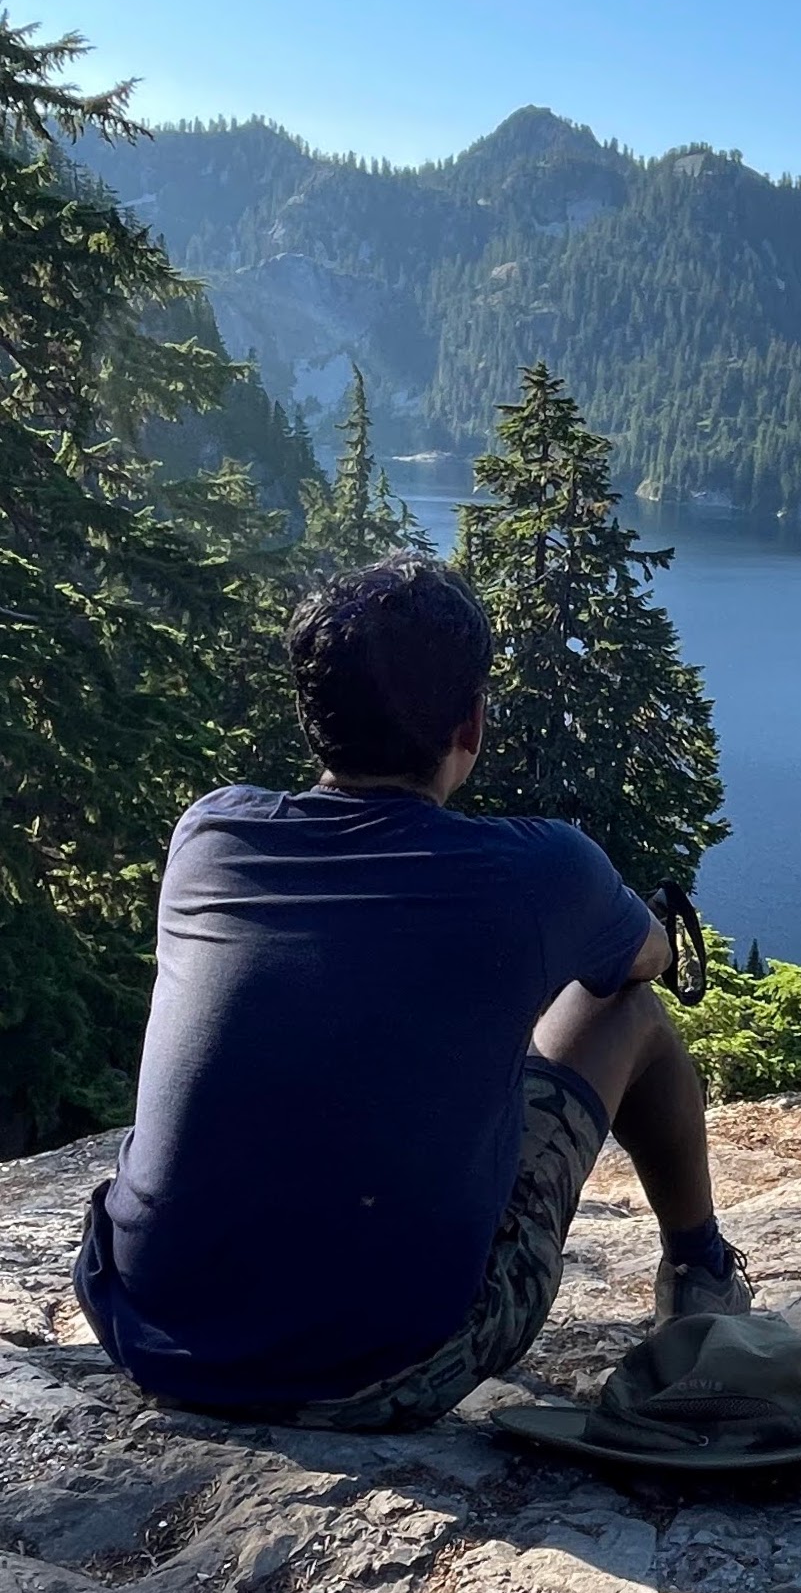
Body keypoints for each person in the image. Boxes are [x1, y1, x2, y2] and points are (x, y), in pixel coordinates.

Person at [73, 553, 751, 1430]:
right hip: (388, 1366)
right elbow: (645, 960)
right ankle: (699, 1272)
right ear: (470, 723)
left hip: (145, 1331)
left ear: (311, 713)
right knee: (627, 1010)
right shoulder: (537, 868)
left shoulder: (209, 834)